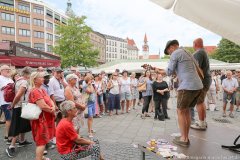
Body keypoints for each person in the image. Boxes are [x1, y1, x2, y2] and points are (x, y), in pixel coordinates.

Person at [158, 39, 203, 147]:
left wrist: (161, 71)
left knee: (180, 111)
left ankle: (183, 139)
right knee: (185, 111)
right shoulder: (187, 52)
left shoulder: (175, 53)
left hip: (187, 86)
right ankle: (185, 136)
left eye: (169, 52)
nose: (169, 54)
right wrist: (161, 71)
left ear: (171, 48)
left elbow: (169, 71)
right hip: (198, 86)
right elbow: (181, 70)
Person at [6, 67, 33, 158]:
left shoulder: (18, 80)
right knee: (17, 125)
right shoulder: (24, 82)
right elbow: (19, 95)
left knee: (23, 124)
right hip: (20, 106)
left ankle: (22, 141)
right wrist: (13, 105)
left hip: (21, 106)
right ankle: (11, 146)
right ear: (27, 74)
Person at [28, 72, 56, 160]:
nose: (43, 79)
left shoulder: (41, 89)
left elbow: (50, 99)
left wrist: (53, 106)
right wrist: (52, 110)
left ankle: (41, 157)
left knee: (44, 140)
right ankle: (38, 158)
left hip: (45, 119)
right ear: (35, 80)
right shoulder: (35, 91)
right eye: (41, 77)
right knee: (41, 141)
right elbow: (42, 106)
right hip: (40, 120)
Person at [191, 38, 212, 130]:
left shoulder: (198, 53)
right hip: (206, 79)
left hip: (201, 81)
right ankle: (203, 121)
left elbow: (196, 68)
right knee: (201, 101)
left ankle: (201, 123)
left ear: (195, 44)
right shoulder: (204, 52)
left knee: (199, 102)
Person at [0, 65, 14, 144]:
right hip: (5, 102)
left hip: (12, 101)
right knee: (9, 119)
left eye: (9, 69)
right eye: (6, 69)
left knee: (10, 119)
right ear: (1, 71)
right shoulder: (0, 78)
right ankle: (8, 136)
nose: (8, 71)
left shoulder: (10, 79)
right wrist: (8, 86)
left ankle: (8, 135)